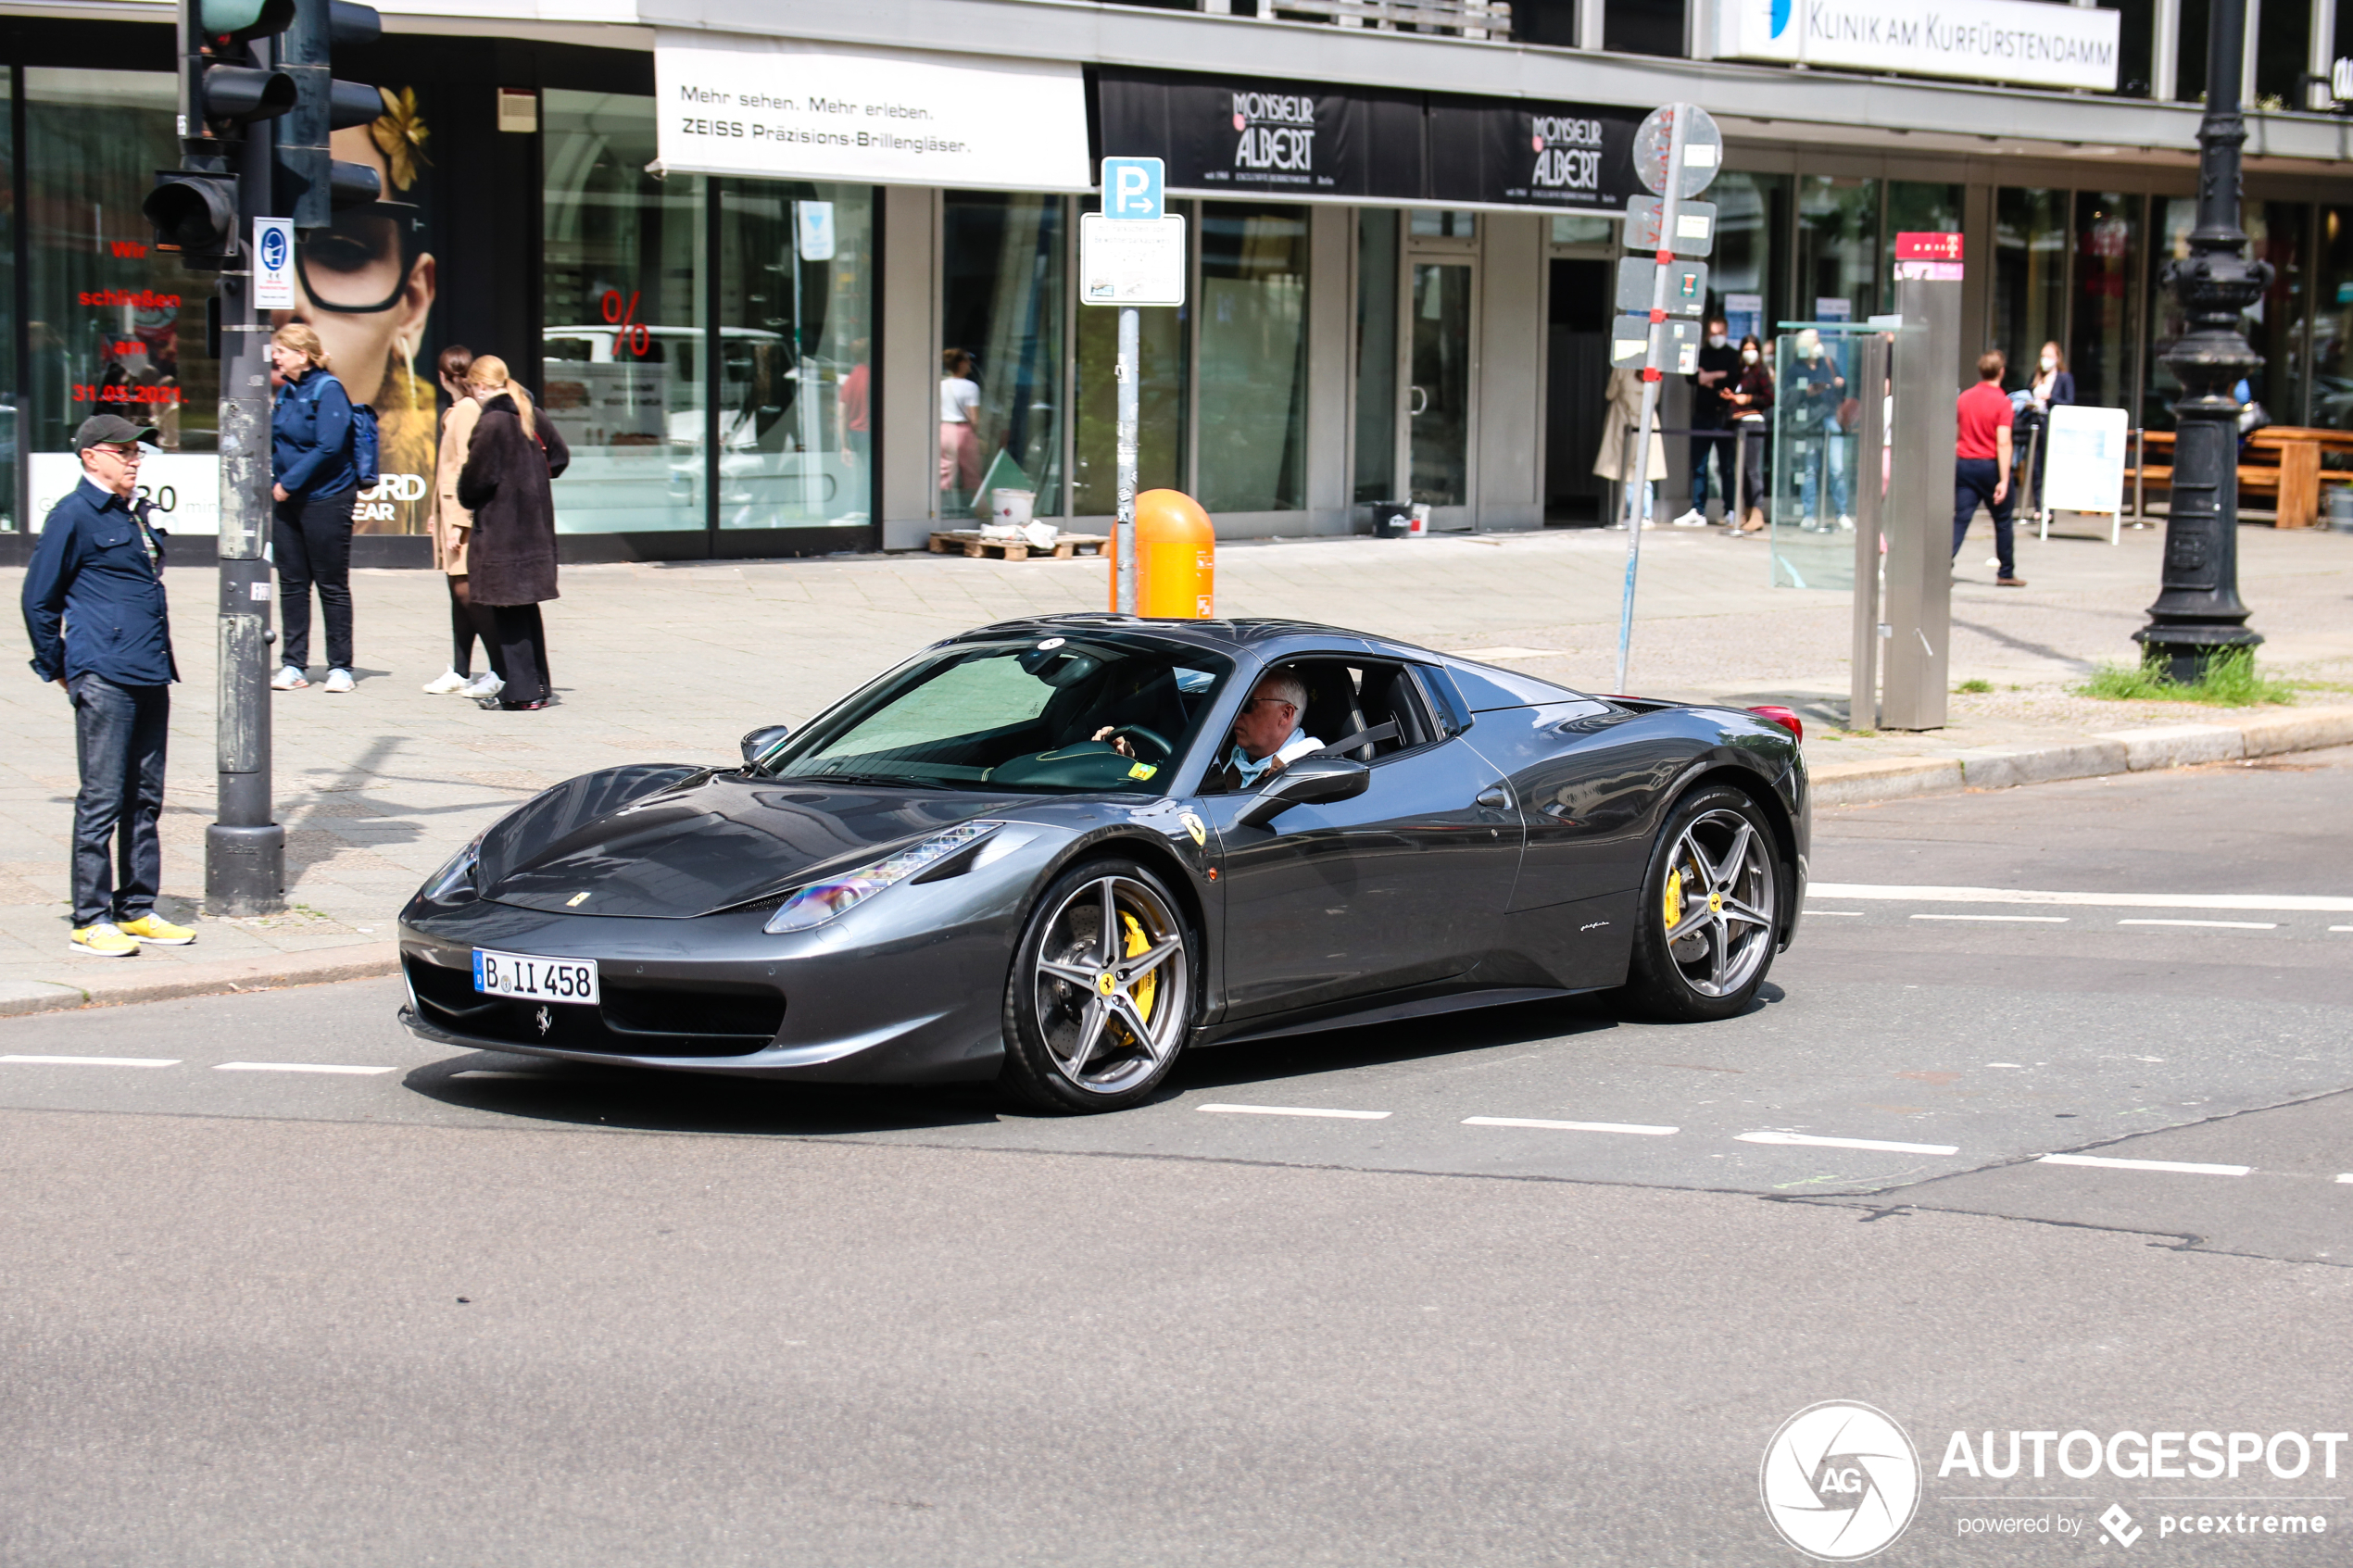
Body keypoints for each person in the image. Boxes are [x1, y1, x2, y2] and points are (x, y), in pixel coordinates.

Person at [19, 415, 197, 958]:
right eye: (123, 451)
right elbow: (38, 599)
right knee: (101, 798)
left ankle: (137, 907)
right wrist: (60, 668)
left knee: (145, 798)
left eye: (137, 452)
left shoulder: (133, 511)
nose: (134, 459)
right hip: (104, 673)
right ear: (91, 456)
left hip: (149, 668)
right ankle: (91, 917)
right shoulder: (73, 515)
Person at [456, 355, 571, 710]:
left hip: (503, 531)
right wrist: (531, 476)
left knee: (507, 610)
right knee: (525, 609)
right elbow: (560, 457)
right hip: (533, 527)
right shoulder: (529, 413)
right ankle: (537, 687)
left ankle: (520, 694)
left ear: (479, 385)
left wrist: (469, 492)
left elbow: (478, 479)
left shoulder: (491, 422)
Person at [268, 321, 360, 693]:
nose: (275, 356)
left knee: (331, 584)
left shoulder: (329, 389)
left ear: (302, 355)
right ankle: (294, 665)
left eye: (282, 351)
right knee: (291, 583)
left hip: (326, 498)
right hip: (288, 502)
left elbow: (329, 446)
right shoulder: (288, 391)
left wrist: (288, 483)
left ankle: (341, 667)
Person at [422, 344, 499, 698]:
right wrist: (436, 515)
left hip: (461, 514)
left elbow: (468, 467)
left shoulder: (466, 410)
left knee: (467, 592)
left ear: (441, 377)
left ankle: (500, 666)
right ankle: (460, 669)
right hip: (452, 512)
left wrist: (459, 520)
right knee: (458, 594)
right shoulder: (461, 409)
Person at [1955, 349, 2025, 588]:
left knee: (1961, 519)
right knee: (2003, 519)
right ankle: (2005, 572)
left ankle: (1942, 566)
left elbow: (1957, 432)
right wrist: (2005, 479)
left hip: (1964, 465)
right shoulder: (2002, 402)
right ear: (2001, 372)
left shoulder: (1964, 397)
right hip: (1990, 466)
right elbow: (2003, 442)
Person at [1201, 670, 1323, 793]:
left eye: (1247, 704)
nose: (1237, 713)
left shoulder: (1310, 774)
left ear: (1285, 714)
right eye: (1237, 703)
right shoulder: (1216, 757)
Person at [1675, 315, 1741, 527]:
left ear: (1727, 333)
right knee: (1700, 465)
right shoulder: (1700, 354)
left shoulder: (1733, 355)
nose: (1716, 337)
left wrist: (1708, 377)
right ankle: (1698, 510)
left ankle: (1730, 509)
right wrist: (1717, 377)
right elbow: (1691, 377)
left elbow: (1733, 378)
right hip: (1702, 416)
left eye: (1720, 333)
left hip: (1723, 417)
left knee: (1726, 466)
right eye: (1712, 333)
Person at [1592, 364, 1668, 529]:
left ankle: (1629, 514)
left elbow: (1610, 393)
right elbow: (1655, 398)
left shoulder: (1622, 367)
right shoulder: (1655, 368)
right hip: (1646, 421)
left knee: (1625, 471)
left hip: (1623, 421)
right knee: (1645, 471)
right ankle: (1646, 515)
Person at [2020, 340, 2075, 519]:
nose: (2045, 360)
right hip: (2035, 424)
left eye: (2049, 356)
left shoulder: (2064, 378)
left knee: (2048, 467)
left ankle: (2049, 509)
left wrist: (2050, 397)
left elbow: (2069, 402)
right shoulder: (2036, 376)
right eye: (2043, 356)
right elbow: (2027, 394)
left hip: (2052, 426)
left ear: (2057, 358)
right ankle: (2038, 507)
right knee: (2035, 467)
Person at [1725, 333, 1775, 533]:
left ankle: (1757, 512)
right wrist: (1732, 397)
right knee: (1742, 471)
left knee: (1753, 470)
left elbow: (1769, 397)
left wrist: (1747, 399)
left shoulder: (1761, 371)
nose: (1749, 353)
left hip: (1754, 424)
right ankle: (1745, 512)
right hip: (1739, 424)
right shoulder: (1742, 372)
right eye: (1745, 349)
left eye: (1752, 348)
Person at [939, 348, 982, 511]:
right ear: (961, 363)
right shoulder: (971, 387)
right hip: (963, 430)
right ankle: (975, 509)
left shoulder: (941, 385)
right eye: (967, 360)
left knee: (945, 472)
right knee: (971, 472)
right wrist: (977, 434)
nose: (970, 364)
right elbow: (974, 418)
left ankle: (943, 506)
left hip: (944, 428)